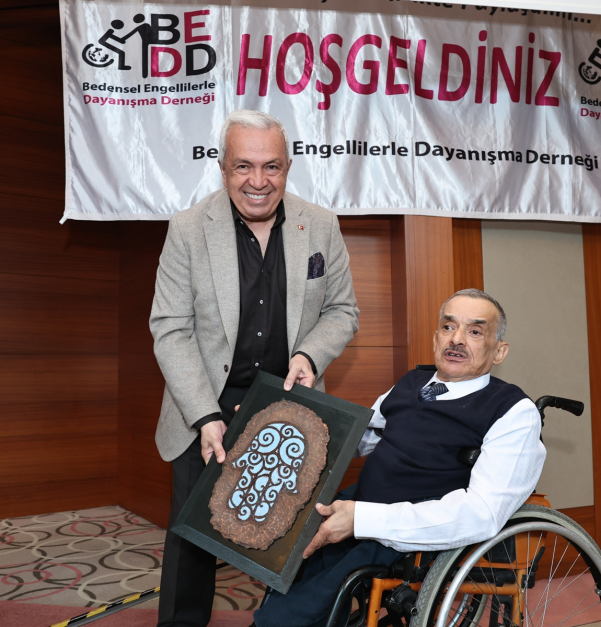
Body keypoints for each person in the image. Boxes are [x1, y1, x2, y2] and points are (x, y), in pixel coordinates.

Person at [149, 109, 359, 627]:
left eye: (271, 166)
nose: (258, 181)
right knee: (193, 538)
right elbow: (170, 329)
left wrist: (309, 356)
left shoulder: (321, 225)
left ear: (288, 167)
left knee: (287, 537)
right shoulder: (188, 229)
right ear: (223, 168)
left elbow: (342, 310)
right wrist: (204, 415)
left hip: (290, 408)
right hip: (206, 405)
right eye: (243, 166)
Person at [252, 288, 546, 627]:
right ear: (436, 338)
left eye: (475, 331)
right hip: (360, 502)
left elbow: (481, 514)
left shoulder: (513, 412)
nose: (457, 339)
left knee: (302, 604)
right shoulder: (412, 383)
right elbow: (359, 437)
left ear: (499, 351)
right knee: (288, 549)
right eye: (449, 327)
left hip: (409, 531)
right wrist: (279, 427)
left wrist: (364, 520)